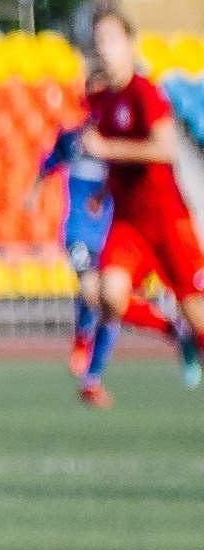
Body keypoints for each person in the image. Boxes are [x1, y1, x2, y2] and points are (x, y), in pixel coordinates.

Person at [76, 9, 204, 408]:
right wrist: (101, 190)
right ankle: (174, 332)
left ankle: (189, 334)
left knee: (199, 315)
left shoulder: (146, 93)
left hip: (168, 221)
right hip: (129, 223)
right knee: (104, 295)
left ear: (130, 45)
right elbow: (112, 160)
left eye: (112, 40)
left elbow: (164, 149)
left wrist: (106, 149)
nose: (105, 49)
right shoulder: (99, 99)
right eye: (99, 41)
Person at [28, 115, 195, 383]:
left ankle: (167, 334)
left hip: (114, 235)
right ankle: (83, 343)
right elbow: (47, 164)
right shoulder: (72, 140)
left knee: (112, 301)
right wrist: (33, 195)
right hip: (79, 234)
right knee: (91, 291)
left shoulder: (122, 146)